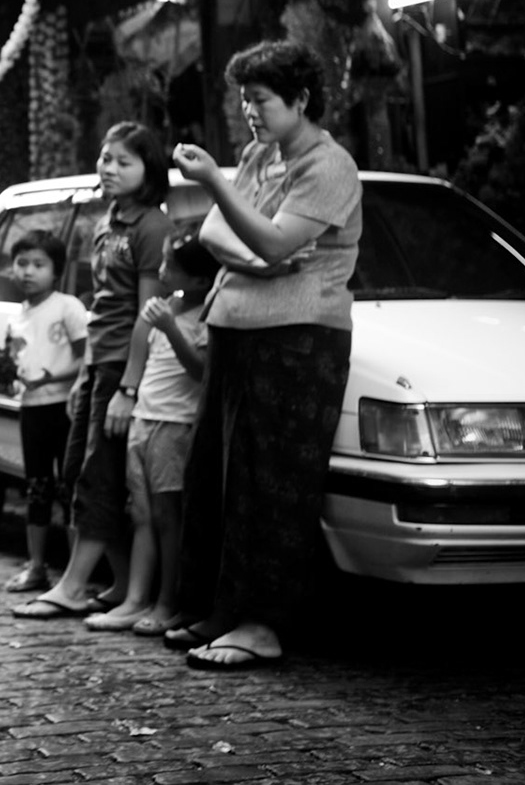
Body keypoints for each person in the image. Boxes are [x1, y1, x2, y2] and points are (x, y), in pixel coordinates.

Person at [169, 38, 363, 671]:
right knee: (217, 474)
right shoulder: (259, 154)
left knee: (270, 482)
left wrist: (227, 201)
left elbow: (273, 239)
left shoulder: (328, 166)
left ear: (301, 99)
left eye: (261, 100)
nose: (249, 112)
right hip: (236, 326)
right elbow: (220, 234)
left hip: (297, 338)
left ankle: (262, 625)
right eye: (243, 99)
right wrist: (262, 258)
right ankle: (222, 610)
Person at [15, 121, 172, 619]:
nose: (110, 168)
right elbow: (101, 303)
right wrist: (84, 375)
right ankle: (121, 586)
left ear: (149, 170)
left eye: (124, 161)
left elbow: (148, 314)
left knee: (99, 477)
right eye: (106, 158)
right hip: (95, 367)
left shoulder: (152, 226)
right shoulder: (108, 220)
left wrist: (128, 386)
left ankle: (73, 585)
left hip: (122, 369)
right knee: (78, 479)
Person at [91, 228, 215, 635]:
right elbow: (140, 363)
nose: (161, 271)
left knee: (167, 516)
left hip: (175, 424)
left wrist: (171, 328)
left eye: (170, 266)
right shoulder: (163, 308)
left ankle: (168, 601)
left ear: (199, 279)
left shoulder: (206, 316)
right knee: (140, 512)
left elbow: (200, 371)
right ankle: (135, 599)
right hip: (144, 418)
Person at [0, 229, 90, 594]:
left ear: (56, 271)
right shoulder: (17, 317)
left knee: (70, 489)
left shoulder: (67, 307)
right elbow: (13, 363)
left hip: (63, 407)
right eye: (21, 263)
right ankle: (36, 566)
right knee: (36, 487)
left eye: (38, 264)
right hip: (32, 408)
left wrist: (55, 377)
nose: (28, 272)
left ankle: (74, 576)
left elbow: (87, 358)